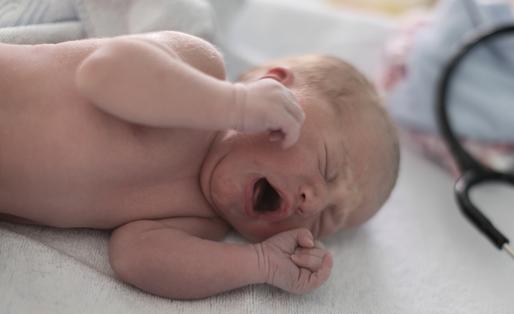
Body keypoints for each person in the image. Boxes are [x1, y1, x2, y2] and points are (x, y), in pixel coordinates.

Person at [0, 31, 399, 299]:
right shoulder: (197, 68)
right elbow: (103, 72)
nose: (311, 203)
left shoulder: (202, 220)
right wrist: (234, 104)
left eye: (324, 221)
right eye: (328, 166)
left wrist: (259, 264)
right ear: (274, 84)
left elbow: (134, 257)